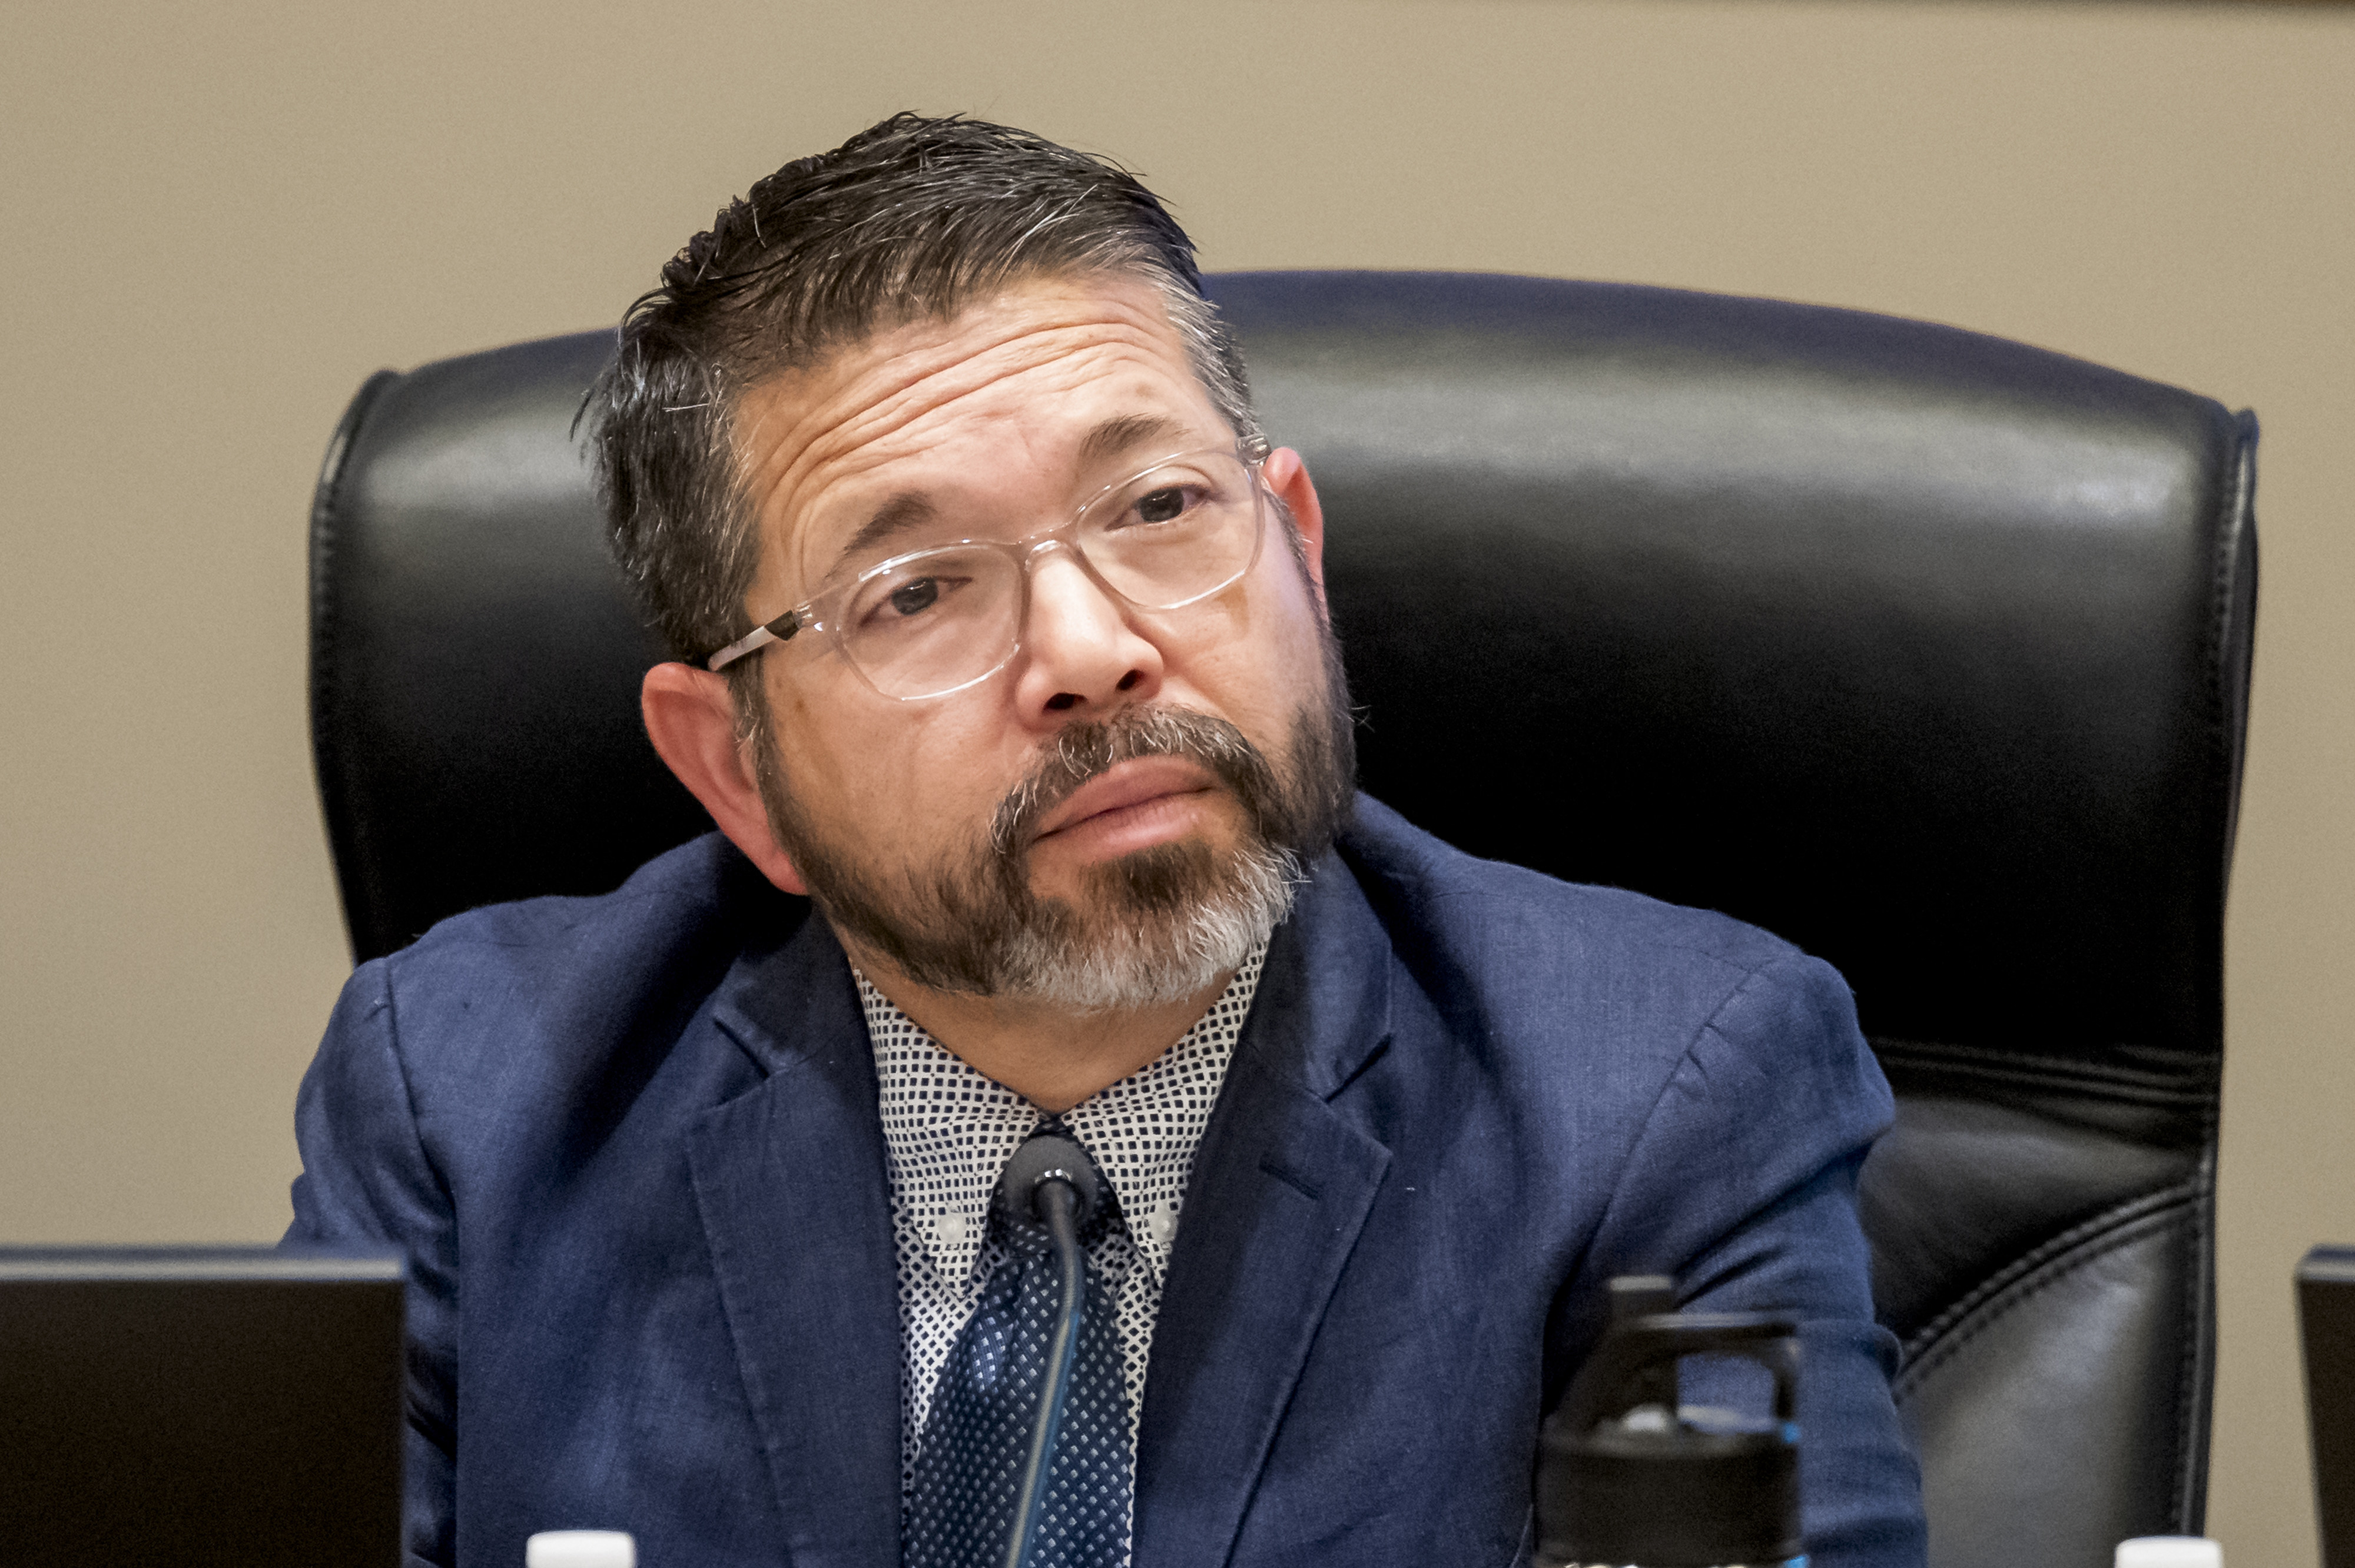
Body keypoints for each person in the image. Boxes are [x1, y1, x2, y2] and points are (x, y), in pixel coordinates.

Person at [285, 114, 1926, 1568]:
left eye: (1157, 511)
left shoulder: (1664, 1096)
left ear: (1295, 549)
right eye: (915, 591)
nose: (1090, 649)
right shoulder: (474, 1106)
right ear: (739, 772)